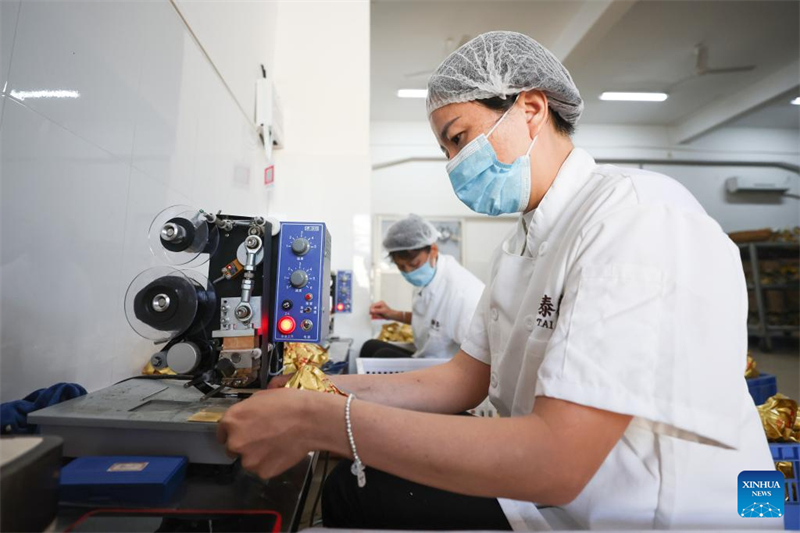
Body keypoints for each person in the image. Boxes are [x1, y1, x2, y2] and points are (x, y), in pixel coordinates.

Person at [216, 31, 779, 530]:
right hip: (567, 501)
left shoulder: (636, 216)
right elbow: (460, 381)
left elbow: (556, 460)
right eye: (446, 150)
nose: (455, 165)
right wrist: (318, 390)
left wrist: (323, 422)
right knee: (356, 493)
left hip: (658, 511)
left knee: (352, 495)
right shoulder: (523, 245)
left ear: (531, 108)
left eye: (459, 138)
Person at [362, 214, 484, 359]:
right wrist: (392, 314)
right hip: (425, 357)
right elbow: (429, 320)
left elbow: (480, 358)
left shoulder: (461, 294)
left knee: (382, 355)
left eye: (414, 264)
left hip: (446, 370)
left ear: (433, 250)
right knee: (370, 346)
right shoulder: (429, 277)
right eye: (401, 267)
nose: (409, 272)